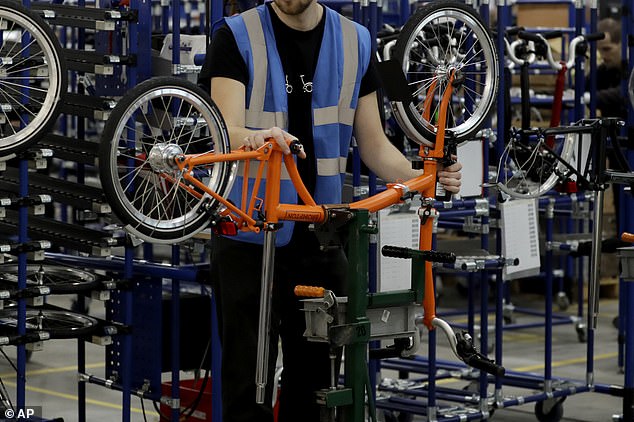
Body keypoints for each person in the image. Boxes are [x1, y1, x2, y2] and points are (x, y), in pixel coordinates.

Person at [198, 1, 462, 421]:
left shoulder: (355, 42)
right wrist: (256, 136)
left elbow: (375, 148)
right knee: (246, 382)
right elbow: (223, 128)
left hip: (319, 235)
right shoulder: (235, 35)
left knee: (317, 383)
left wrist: (424, 174)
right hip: (250, 234)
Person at [594, 17, 627, 118]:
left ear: (623, 44)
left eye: (607, 49)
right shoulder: (604, 69)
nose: (602, 55)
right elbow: (582, 85)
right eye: (599, 50)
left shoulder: (632, 69)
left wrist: (587, 97)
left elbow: (623, 93)